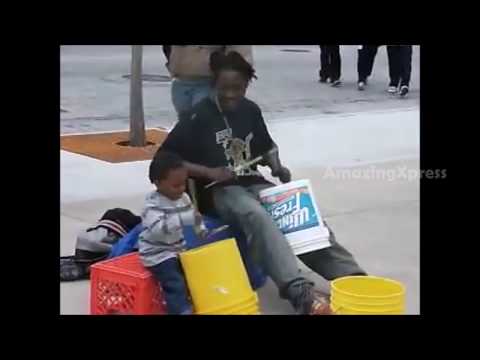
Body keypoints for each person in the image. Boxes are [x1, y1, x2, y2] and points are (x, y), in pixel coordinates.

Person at [158, 50, 366, 315]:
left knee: (297, 213)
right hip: (216, 191)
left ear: (247, 84)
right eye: (225, 88)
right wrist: (209, 172)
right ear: (214, 85)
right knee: (256, 215)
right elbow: (164, 159)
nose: (231, 95)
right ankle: (300, 293)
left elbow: (267, 147)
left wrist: (277, 165)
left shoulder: (250, 110)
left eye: (238, 88)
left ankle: (353, 277)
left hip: (252, 181)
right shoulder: (198, 116)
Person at [138, 151, 207, 315]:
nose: (181, 189)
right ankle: (180, 310)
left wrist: (201, 229)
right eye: (176, 185)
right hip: (157, 253)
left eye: (183, 184)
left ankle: (190, 302)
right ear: (157, 183)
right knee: (174, 281)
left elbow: (193, 217)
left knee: (193, 274)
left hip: (178, 249)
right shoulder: (152, 205)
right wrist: (183, 219)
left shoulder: (184, 198)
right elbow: (158, 231)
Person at [167, 45, 253, 121]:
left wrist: (236, 75)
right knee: (184, 121)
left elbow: (239, 53)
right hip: (180, 80)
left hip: (208, 81)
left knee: (203, 118)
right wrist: (171, 63)